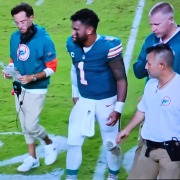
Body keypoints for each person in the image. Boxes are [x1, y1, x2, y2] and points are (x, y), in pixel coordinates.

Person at [65, 8, 127, 180]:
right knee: (73, 141)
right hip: (84, 100)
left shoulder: (108, 46)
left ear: (90, 30)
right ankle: (71, 177)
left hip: (106, 101)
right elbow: (74, 69)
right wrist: (75, 92)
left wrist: (118, 108)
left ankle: (113, 176)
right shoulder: (72, 44)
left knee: (110, 143)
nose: (73, 33)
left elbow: (121, 78)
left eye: (76, 29)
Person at [3, 2, 58, 172]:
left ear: (31, 18)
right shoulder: (14, 37)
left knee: (32, 125)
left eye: (23, 21)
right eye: (17, 22)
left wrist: (33, 77)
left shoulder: (44, 39)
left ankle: (49, 143)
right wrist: (9, 71)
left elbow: (52, 67)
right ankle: (32, 158)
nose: (20, 26)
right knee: (24, 125)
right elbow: (14, 59)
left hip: (37, 89)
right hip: (19, 87)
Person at [131, 2, 180, 178]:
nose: (153, 28)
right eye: (151, 24)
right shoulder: (150, 40)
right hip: (151, 106)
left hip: (174, 112)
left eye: (157, 24)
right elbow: (137, 71)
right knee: (143, 148)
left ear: (171, 20)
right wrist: (150, 63)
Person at [117, 43, 180, 179]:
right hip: (148, 148)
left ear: (161, 65)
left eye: (149, 63)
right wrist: (127, 129)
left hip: (172, 152)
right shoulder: (151, 85)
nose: (145, 67)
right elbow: (142, 110)